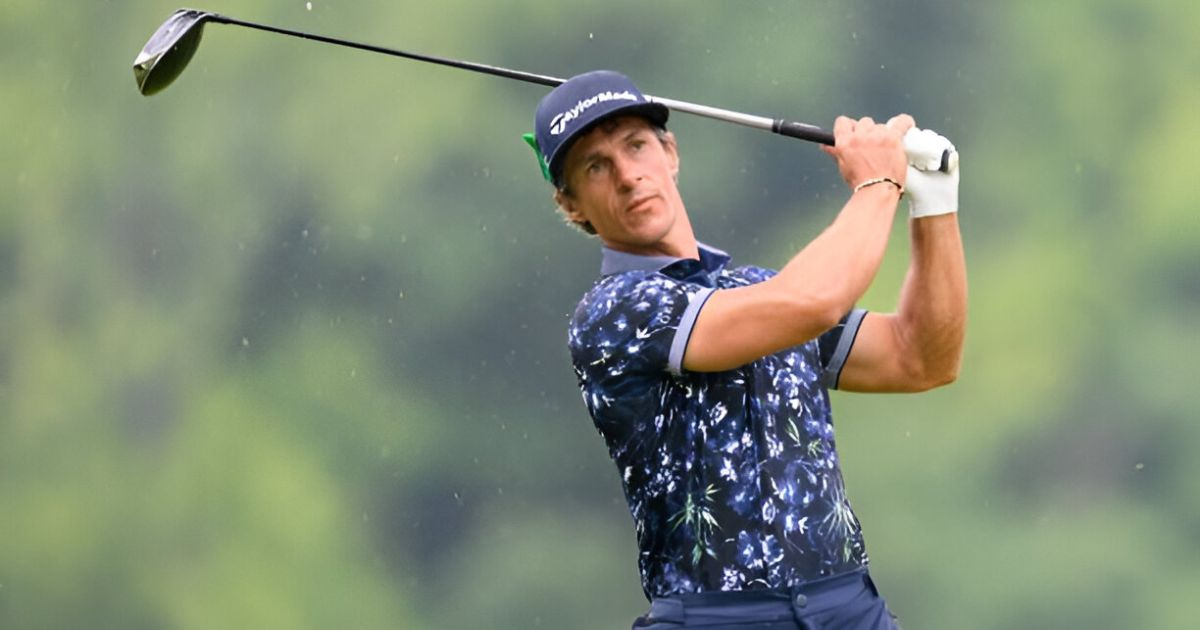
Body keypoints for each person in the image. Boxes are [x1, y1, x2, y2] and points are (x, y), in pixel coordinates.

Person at [524, 70, 966, 629]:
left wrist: (934, 204)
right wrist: (878, 184)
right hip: (719, 618)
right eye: (595, 166)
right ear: (573, 205)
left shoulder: (753, 289)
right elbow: (811, 301)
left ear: (670, 152)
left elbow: (921, 356)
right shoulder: (615, 312)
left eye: (635, 146)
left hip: (849, 608)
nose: (628, 176)